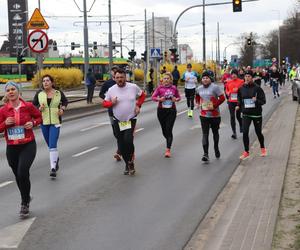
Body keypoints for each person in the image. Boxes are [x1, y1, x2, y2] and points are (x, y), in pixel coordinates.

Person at [0, 81, 42, 218]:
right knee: (18, 175)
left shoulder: (28, 106)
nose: (11, 92)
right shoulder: (3, 110)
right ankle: (27, 195)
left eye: (13, 89)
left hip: (28, 144)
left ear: (18, 91)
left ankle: (24, 203)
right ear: (6, 93)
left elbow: (39, 117)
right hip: (12, 147)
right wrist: (4, 124)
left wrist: (33, 123)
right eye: (8, 90)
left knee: (22, 172)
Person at [102, 68, 146, 175]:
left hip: (130, 118)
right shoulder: (112, 89)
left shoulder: (133, 87)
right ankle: (128, 164)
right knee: (121, 144)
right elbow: (104, 103)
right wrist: (111, 103)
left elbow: (143, 95)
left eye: (121, 77)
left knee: (128, 140)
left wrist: (138, 105)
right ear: (114, 78)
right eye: (117, 78)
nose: (119, 79)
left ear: (125, 77)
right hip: (117, 120)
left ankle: (130, 161)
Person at [33, 75, 68, 178]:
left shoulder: (58, 93)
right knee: (50, 145)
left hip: (55, 122)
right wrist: (38, 108)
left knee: (52, 144)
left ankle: (53, 168)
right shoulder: (39, 94)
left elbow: (65, 102)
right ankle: (55, 159)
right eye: (43, 81)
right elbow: (33, 105)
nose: (45, 83)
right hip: (44, 122)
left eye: (47, 80)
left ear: (52, 82)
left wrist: (62, 109)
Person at [236, 70, 267, 160]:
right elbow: (239, 98)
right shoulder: (241, 88)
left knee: (258, 132)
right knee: (245, 132)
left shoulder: (257, 88)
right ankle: (246, 151)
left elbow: (263, 101)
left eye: (249, 76)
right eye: (246, 76)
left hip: (256, 114)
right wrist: (238, 105)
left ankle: (263, 148)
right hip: (246, 113)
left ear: (252, 78)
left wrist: (256, 100)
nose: (247, 78)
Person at [195, 72, 225, 163]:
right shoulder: (199, 88)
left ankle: (216, 148)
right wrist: (197, 103)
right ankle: (206, 154)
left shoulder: (215, 87)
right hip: (203, 115)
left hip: (215, 115)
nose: (205, 79)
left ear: (210, 79)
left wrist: (214, 105)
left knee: (215, 133)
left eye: (207, 78)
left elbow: (222, 98)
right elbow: (197, 97)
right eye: (203, 78)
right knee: (205, 134)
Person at [152, 72, 181, 158]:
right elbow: (153, 97)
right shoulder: (159, 88)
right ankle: (169, 139)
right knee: (164, 131)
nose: (166, 80)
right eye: (165, 78)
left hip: (171, 111)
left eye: (168, 78)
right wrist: (159, 99)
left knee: (169, 129)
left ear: (170, 80)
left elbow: (179, 97)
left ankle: (168, 149)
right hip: (161, 111)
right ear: (162, 80)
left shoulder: (174, 88)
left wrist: (175, 99)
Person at [99, 66, 122, 161]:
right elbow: (101, 94)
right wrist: (108, 99)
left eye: (117, 72)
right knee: (116, 133)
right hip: (111, 112)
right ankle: (121, 150)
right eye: (114, 72)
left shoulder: (124, 83)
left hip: (123, 114)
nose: (116, 74)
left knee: (124, 134)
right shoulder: (107, 83)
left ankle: (120, 152)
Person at [225, 69, 244, 139]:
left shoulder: (241, 81)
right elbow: (226, 90)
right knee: (232, 116)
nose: (234, 75)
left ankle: (241, 125)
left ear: (237, 74)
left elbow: (243, 89)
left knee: (238, 116)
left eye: (235, 74)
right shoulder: (228, 82)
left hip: (238, 101)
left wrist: (238, 90)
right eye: (232, 74)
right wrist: (228, 93)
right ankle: (234, 132)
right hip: (231, 101)